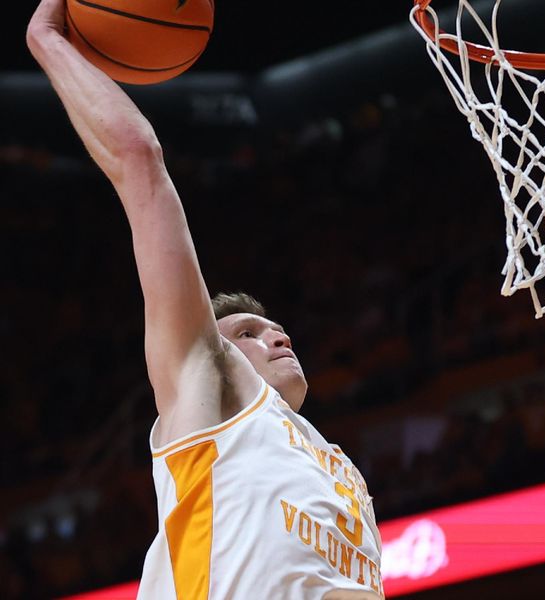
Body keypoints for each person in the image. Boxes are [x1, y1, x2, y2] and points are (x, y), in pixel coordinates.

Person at [26, 1, 383, 598]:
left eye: (273, 326)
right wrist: (48, 42)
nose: (278, 335)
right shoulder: (210, 387)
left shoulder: (341, 469)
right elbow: (139, 161)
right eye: (247, 330)